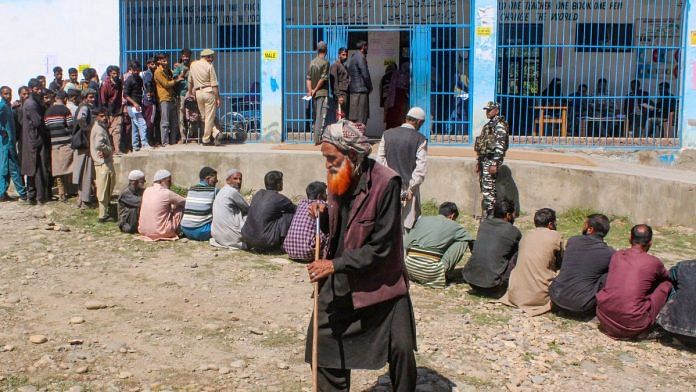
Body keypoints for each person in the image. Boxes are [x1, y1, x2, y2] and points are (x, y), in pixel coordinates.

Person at [305, 119, 416, 391]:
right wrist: (323, 214)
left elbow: (382, 247)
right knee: (321, 341)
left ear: (352, 155)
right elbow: (342, 225)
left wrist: (334, 264)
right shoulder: (337, 177)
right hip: (342, 277)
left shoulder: (387, 183)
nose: (327, 165)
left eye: (331, 158)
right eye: (325, 159)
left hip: (382, 282)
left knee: (401, 348)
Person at [596, 224, 673, 340]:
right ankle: (655, 323)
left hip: (604, 317)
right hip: (633, 325)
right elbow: (667, 277)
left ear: (630, 239)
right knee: (665, 284)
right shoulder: (654, 262)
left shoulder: (617, 255)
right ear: (650, 243)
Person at [499, 208, 564, 316]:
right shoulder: (556, 236)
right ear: (550, 224)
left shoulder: (526, 235)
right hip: (539, 298)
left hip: (515, 295)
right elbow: (561, 263)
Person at [549, 214, 614, 317]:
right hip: (582, 306)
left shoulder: (573, 241)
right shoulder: (609, 253)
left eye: (584, 224)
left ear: (590, 229)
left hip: (556, 297)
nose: (582, 227)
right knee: (607, 275)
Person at [376, 106, 428, 231]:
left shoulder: (387, 134)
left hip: (389, 187)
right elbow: (421, 168)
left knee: (389, 223)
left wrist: (387, 181)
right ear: (419, 122)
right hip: (407, 189)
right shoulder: (420, 139)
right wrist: (411, 188)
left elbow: (380, 160)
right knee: (406, 227)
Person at [404, 202, 473, 288]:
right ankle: (446, 274)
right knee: (464, 240)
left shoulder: (422, 220)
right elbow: (470, 239)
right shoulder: (453, 225)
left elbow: (406, 244)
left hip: (409, 269)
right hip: (431, 273)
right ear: (452, 216)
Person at [461, 199, 521, 296]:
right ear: (508, 215)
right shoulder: (513, 231)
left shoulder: (484, 225)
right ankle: (508, 283)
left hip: (471, 280)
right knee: (519, 251)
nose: (514, 217)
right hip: (493, 285)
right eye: (513, 214)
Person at [241, 170, 296, 252]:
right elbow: (296, 209)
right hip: (265, 241)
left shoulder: (258, 194)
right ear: (278, 184)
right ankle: (283, 244)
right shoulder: (279, 198)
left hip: (247, 238)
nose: (282, 184)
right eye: (281, 182)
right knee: (288, 215)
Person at [474, 101, 509, 217]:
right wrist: (479, 161)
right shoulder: (489, 125)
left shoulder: (500, 125)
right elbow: (483, 145)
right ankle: (489, 213)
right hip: (485, 160)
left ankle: (491, 215)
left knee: (489, 189)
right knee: (485, 187)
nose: (487, 112)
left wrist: (494, 163)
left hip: (491, 160)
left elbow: (500, 146)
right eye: (486, 110)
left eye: (490, 110)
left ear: (497, 111)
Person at [21, 79, 50, 205]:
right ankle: (38, 197)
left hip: (31, 139)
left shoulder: (29, 102)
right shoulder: (32, 104)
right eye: (37, 89)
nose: (39, 91)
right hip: (35, 139)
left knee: (33, 168)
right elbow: (38, 122)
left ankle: (33, 196)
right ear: (31, 89)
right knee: (38, 168)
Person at [282, 181, 328, 261]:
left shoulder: (301, 203)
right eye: (325, 193)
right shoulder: (321, 205)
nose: (326, 195)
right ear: (319, 195)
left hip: (289, 250)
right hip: (308, 252)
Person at [138, 169, 186, 241]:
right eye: (169, 181)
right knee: (179, 207)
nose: (170, 184)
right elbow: (184, 201)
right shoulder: (166, 193)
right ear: (161, 181)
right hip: (161, 232)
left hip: (143, 231)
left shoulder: (147, 190)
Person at [657, 259, 696, 346]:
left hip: (675, 330)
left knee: (669, 283)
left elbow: (665, 276)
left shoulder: (684, 266)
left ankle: (670, 319)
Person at [187, 49, 222, 145]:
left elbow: (190, 80)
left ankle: (215, 132)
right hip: (208, 92)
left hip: (198, 93)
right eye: (211, 57)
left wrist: (190, 92)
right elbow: (214, 85)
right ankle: (206, 139)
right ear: (207, 57)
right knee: (209, 117)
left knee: (204, 117)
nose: (212, 59)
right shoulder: (209, 66)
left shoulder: (193, 65)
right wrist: (218, 98)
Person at [44, 90, 73, 202]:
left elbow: (47, 127)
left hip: (54, 144)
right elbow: (70, 126)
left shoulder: (48, 111)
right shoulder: (66, 110)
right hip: (66, 143)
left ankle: (61, 193)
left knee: (58, 169)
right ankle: (70, 191)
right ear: (65, 99)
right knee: (69, 167)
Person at [211, 169, 249, 249]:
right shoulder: (232, 192)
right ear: (228, 180)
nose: (238, 181)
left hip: (218, 237)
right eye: (235, 179)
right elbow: (248, 209)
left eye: (240, 179)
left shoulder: (222, 190)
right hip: (232, 238)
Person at [0, 86, 27, 201]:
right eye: (6, 94)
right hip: (6, 143)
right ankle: (22, 193)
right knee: (13, 167)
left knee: (7, 168)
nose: (8, 96)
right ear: (1, 95)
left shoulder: (8, 106)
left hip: (10, 142)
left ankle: (2, 192)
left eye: (9, 93)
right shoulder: (2, 106)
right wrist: (2, 131)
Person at [72, 89, 97, 208]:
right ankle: (85, 201)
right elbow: (81, 120)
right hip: (84, 145)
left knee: (82, 172)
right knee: (86, 172)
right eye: (90, 97)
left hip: (81, 145)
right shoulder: (84, 108)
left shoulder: (82, 107)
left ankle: (81, 199)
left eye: (93, 97)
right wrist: (88, 132)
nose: (93, 99)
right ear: (85, 97)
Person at [90, 107, 115, 223]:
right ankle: (102, 215)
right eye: (101, 116)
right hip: (102, 164)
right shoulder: (99, 129)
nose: (104, 118)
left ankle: (105, 212)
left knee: (108, 186)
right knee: (103, 190)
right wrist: (108, 150)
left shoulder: (100, 128)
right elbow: (99, 145)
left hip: (104, 162)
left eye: (105, 116)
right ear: (96, 117)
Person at [180, 166, 218, 241]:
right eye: (214, 179)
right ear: (207, 179)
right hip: (201, 232)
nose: (217, 181)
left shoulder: (191, 189)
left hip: (185, 229)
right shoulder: (214, 191)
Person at [155, 54, 184, 146]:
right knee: (165, 122)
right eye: (163, 60)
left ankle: (173, 141)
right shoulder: (158, 72)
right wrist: (176, 81)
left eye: (167, 60)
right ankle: (165, 142)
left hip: (171, 98)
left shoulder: (168, 70)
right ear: (159, 61)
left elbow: (174, 75)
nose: (166, 62)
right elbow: (166, 84)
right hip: (164, 98)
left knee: (174, 121)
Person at [124, 60, 152, 152]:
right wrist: (134, 103)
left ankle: (135, 146)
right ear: (131, 70)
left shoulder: (139, 79)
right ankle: (144, 143)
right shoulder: (129, 80)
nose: (136, 72)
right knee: (142, 123)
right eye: (134, 70)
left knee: (135, 126)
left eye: (138, 70)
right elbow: (126, 95)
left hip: (138, 105)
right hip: (132, 107)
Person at [307, 41, 330, 145]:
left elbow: (308, 78)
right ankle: (317, 139)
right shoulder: (325, 63)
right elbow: (323, 78)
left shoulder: (312, 62)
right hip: (321, 92)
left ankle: (315, 138)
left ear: (317, 49)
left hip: (313, 93)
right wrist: (315, 89)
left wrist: (310, 91)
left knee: (316, 115)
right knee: (320, 116)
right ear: (326, 50)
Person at [100, 65, 124, 154]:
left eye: (117, 73)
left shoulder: (119, 83)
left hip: (118, 110)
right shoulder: (106, 85)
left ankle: (117, 150)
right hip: (109, 111)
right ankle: (110, 150)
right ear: (109, 74)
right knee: (109, 131)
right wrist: (106, 114)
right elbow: (103, 100)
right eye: (114, 73)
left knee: (117, 130)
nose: (116, 75)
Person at [347, 41, 373, 125]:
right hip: (361, 91)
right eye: (366, 46)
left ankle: (354, 135)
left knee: (354, 116)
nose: (367, 48)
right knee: (362, 116)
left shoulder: (353, 57)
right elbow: (365, 74)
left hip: (353, 91)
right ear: (363, 47)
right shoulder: (361, 57)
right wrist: (370, 87)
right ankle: (360, 136)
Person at [172, 49, 192, 142]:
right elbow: (175, 79)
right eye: (184, 56)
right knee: (181, 115)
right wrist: (182, 72)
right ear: (181, 57)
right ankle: (183, 136)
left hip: (192, 94)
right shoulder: (178, 67)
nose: (185, 58)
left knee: (192, 114)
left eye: (187, 56)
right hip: (182, 94)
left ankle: (191, 134)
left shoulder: (193, 66)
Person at [118, 169, 146, 233]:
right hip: (126, 224)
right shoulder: (125, 193)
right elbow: (141, 202)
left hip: (136, 222)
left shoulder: (140, 190)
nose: (145, 181)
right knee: (133, 209)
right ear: (134, 182)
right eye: (142, 180)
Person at [384, 62, 410, 130]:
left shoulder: (396, 74)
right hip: (398, 97)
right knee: (399, 115)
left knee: (394, 116)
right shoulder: (401, 75)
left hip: (394, 99)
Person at [328, 47, 350, 124]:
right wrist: (338, 96)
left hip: (345, 93)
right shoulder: (335, 65)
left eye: (346, 54)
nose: (345, 56)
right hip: (340, 94)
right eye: (343, 54)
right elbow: (334, 82)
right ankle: (338, 133)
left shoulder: (344, 66)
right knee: (340, 115)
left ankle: (342, 133)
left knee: (344, 116)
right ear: (339, 55)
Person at [141, 57, 158, 144]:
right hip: (150, 101)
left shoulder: (151, 73)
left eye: (155, 64)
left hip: (147, 100)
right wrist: (150, 93)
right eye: (152, 64)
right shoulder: (149, 74)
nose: (154, 65)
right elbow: (148, 84)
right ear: (148, 65)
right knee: (150, 121)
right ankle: (149, 140)